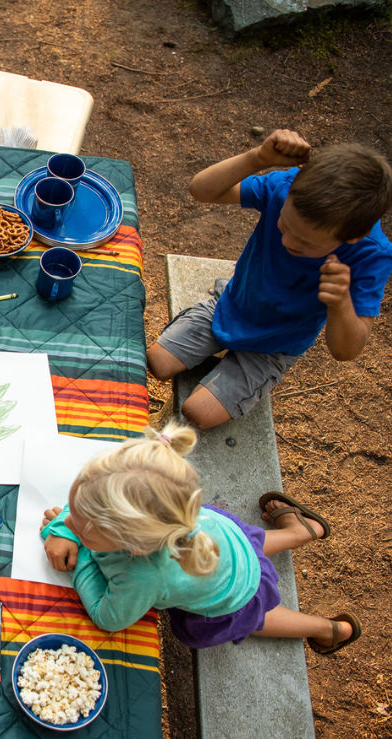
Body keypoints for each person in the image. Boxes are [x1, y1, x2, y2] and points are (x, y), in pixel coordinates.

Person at [40, 422, 361, 654]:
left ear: (133, 546)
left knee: (257, 617)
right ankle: (299, 532)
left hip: (234, 595)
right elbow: (95, 499)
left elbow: (108, 618)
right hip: (232, 541)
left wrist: (80, 559)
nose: (67, 519)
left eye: (81, 525)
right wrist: (69, 531)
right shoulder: (164, 508)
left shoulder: (143, 576)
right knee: (247, 551)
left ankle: (328, 629)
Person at [147, 129, 392, 429]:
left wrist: (341, 302)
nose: (288, 241)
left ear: (354, 236)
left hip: (276, 343)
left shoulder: (372, 255)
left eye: (306, 243)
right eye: (284, 224)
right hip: (234, 305)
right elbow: (201, 190)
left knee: (197, 413)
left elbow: (346, 351)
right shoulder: (285, 187)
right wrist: (258, 158)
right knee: (157, 362)